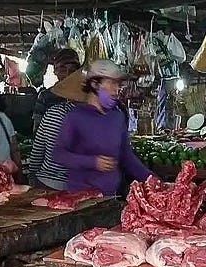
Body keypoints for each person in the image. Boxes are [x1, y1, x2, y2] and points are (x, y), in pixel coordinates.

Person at [53, 60, 151, 197]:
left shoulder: (117, 116)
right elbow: (59, 154)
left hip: (110, 196)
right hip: (81, 198)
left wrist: (152, 179)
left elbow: (127, 157)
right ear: (94, 84)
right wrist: (92, 162)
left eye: (118, 84)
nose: (117, 89)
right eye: (112, 83)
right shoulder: (75, 117)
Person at [28, 69, 84, 190]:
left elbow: (38, 151)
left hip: (47, 183)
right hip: (79, 187)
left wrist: (32, 176)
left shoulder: (53, 113)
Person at [33, 49, 81, 130]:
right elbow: (37, 129)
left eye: (73, 70)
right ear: (55, 71)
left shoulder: (85, 96)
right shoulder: (45, 97)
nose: (68, 74)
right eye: (62, 69)